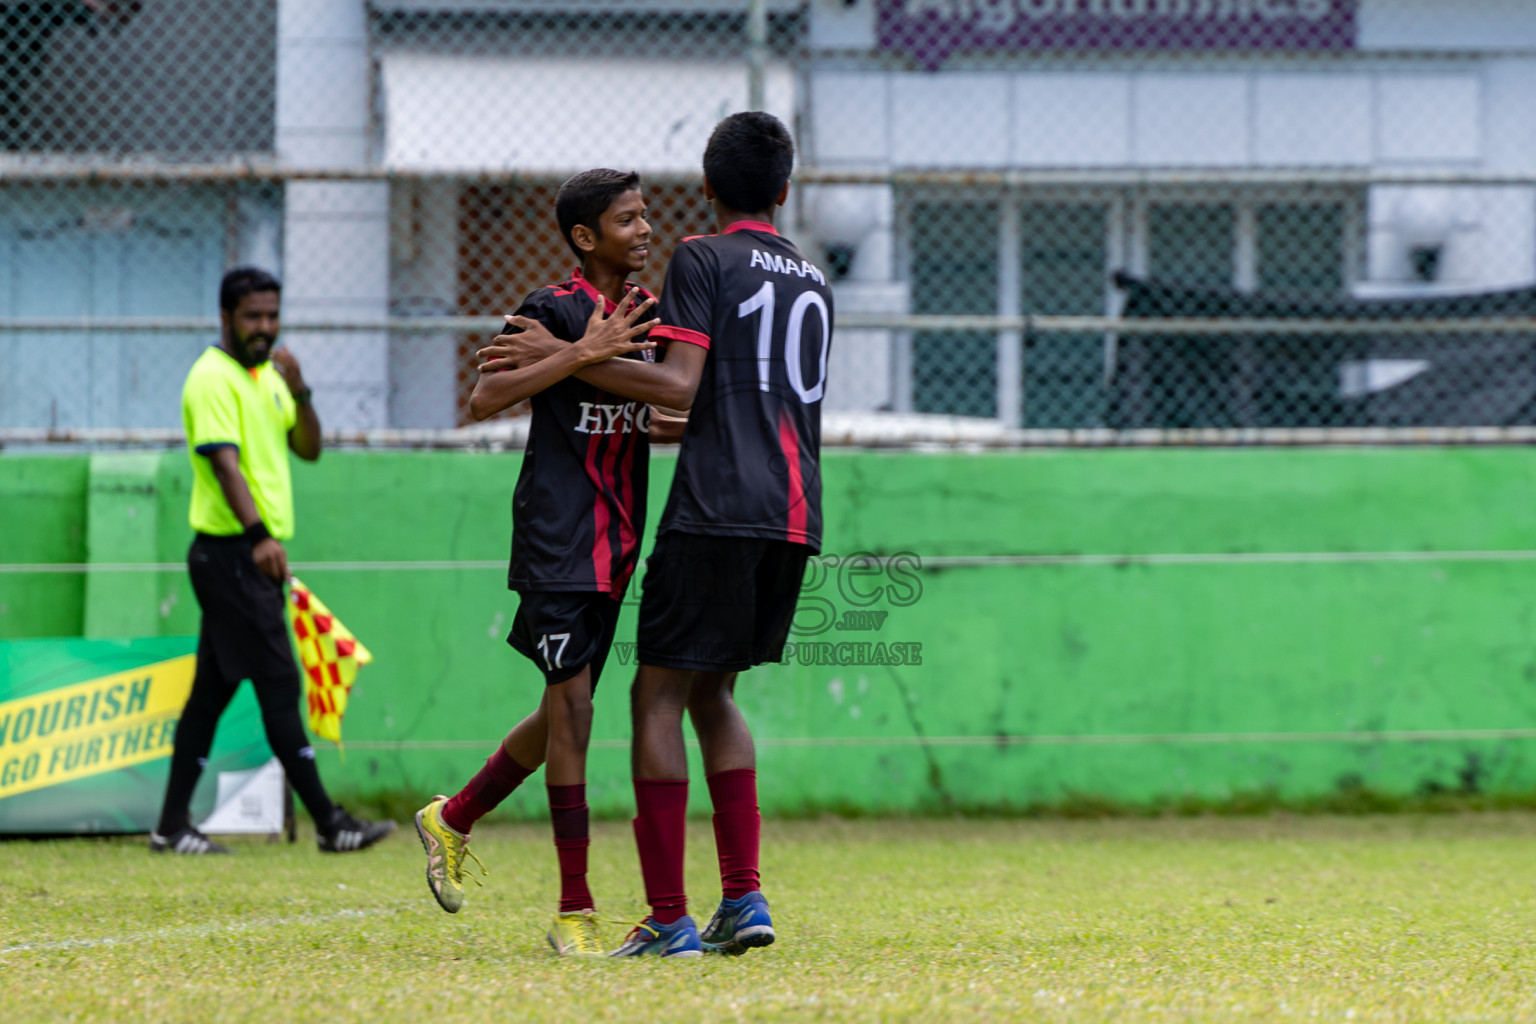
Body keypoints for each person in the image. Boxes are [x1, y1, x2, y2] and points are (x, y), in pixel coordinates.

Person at [492, 113, 831, 958]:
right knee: (718, 696)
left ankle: (669, 916)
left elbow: (677, 385)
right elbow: (735, 396)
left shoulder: (704, 257)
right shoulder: (814, 278)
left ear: (708, 188)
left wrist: (567, 355)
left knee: (656, 698)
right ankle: (745, 902)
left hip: (714, 508)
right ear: (786, 190)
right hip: (794, 514)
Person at [412, 168, 694, 958]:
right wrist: (581, 350)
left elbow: (657, 414)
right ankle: (576, 907)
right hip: (557, 537)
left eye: (646, 217)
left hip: (619, 541)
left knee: (560, 714)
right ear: (584, 236)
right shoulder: (549, 309)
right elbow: (484, 398)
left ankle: (454, 816)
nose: (645, 231)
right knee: (575, 713)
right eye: (628, 220)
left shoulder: (651, 316)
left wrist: (625, 377)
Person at [151, 266, 397, 856]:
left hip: (248, 557)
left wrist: (302, 386)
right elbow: (223, 464)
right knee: (280, 682)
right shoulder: (211, 378)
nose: (265, 328)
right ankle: (329, 822)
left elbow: (308, 448)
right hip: (233, 553)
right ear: (226, 318)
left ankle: (170, 826)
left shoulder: (270, 378)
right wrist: (260, 535)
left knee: (210, 696)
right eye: (253, 317)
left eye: (271, 316)